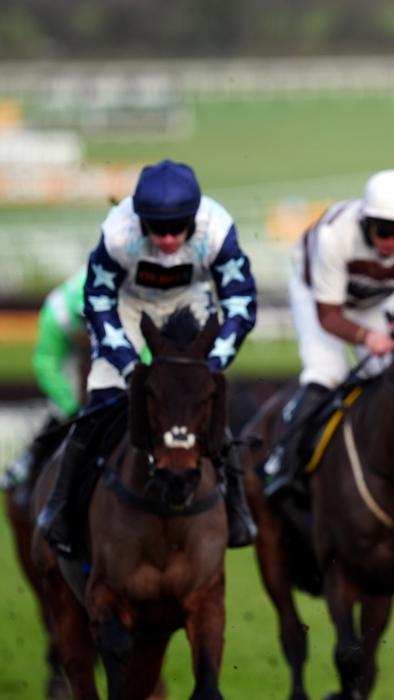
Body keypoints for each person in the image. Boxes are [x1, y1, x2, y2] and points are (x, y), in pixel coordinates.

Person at [36, 159, 259, 556]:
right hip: (128, 304)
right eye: (158, 228)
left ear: (194, 218)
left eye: (178, 228)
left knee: (205, 403)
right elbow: (98, 299)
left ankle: (238, 509)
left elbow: (240, 301)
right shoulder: (118, 233)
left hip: (188, 303)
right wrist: (127, 365)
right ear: (141, 221)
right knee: (100, 402)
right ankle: (60, 506)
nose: (168, 239)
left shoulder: (217, 230)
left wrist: (211, 364)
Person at [263, 169, 394, 499]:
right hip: (318, 297)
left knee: (391, 375)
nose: (391, 242)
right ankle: (285, 461)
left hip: (371, 300)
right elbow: (329, 316)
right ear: (365, 221)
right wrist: (369, 338)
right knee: (327, 372)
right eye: (383, 230)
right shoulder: (335, 236)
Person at [0, 267, 91, 506]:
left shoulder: (123, 303)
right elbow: (46, 365)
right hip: (69, 358)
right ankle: (29, 464)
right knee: (62, 409)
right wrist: (71, 407)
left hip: (113, 348)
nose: (89, 330)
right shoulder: (57, 314)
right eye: (84, 323)